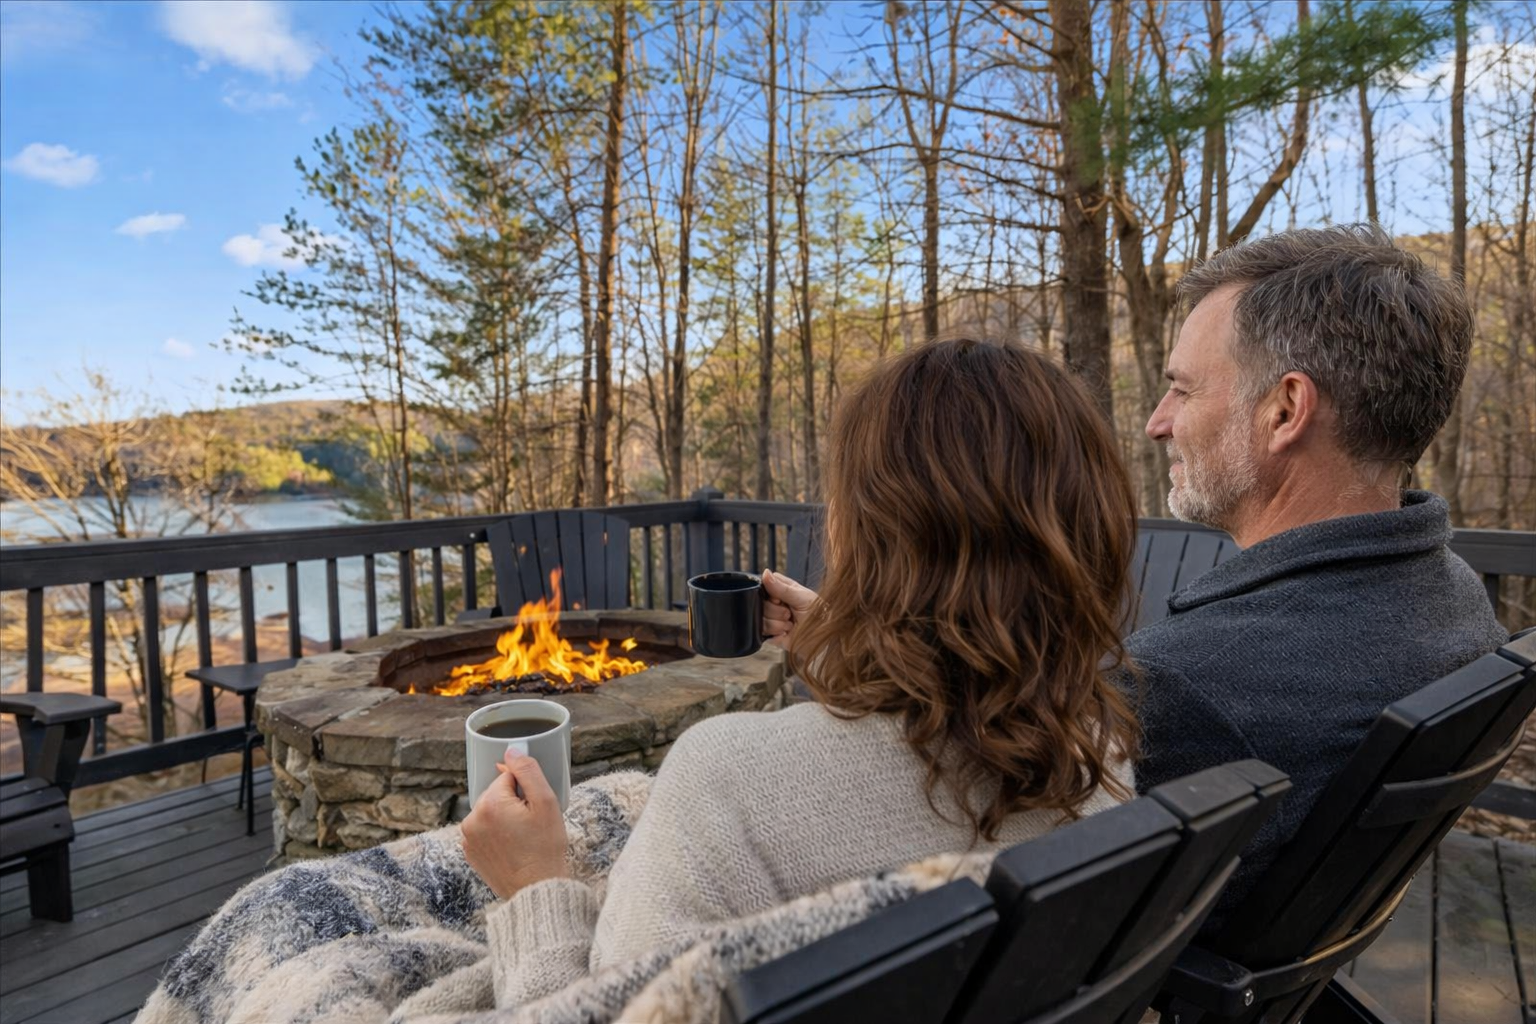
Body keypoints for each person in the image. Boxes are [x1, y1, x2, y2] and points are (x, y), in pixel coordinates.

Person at [763, 224, 1507, 922]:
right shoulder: (1451, 597)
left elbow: (945, 824)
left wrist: (852, 655)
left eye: (1182, 388)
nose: (1157, 421)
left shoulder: (1185, 687)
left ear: (1285, 410)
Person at [463, 337, 1143, 1007]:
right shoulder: (1098, 750)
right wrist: (855, 647)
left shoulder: (727, 779)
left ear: (873, 535)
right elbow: (930, 737)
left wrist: (535, 889)